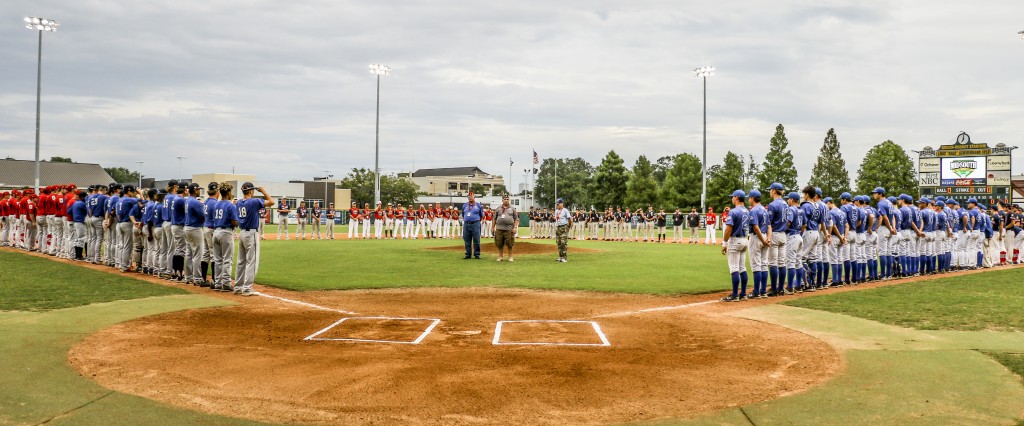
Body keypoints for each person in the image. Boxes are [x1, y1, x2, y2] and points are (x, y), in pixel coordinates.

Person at [235, 182, 274, 296]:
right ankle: (247, 288)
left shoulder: (238, 202)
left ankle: (238, 287)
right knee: (252, 261)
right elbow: (271, 202)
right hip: (251, 233)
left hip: (241, 233)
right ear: (251, 191)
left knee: (241, 262)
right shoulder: (254, 201)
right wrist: (263, 191)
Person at [721, 190, 750, 301]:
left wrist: (724, 243)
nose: (732, 199)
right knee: (742, 268)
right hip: (744, 239)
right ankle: (743, 293)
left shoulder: (733, 212)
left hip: (735, 240)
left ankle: (734, 295)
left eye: (733, 197)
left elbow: (728, 229)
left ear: (737, 198)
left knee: (734, 268)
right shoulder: (747, 211)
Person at [211, 183, 239, 292]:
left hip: (216, 231)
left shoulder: (216, 205)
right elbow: (234, 222)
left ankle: (217, 283)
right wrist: (238, 223)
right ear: (228, 193)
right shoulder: (231, 205)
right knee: (227, 259)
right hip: (226, 232)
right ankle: (226, 283)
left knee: (217, 259)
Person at [766, 183, 788, 295]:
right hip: (783, 234)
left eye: (770, 190)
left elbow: (768, 222)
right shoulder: (786, 204)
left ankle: (774, 289)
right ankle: (781, 288)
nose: (770, 191)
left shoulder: (773, 204)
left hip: (774, 233)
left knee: (773, 263)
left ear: (774, 191)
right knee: (781, 262)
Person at [748, 190, 771, 298]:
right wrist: (768, 239)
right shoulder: (765, 210)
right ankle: (763, 291)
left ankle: (756, 291)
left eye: (749, 197)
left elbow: (755, 227)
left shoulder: (754, 210)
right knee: (764, 264)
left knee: (756, 264)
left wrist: (762, 240)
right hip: (765, 236)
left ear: (752, 198)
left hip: (757, 238)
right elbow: (769, 226)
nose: (749, 199)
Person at [182, 183, 206, 284]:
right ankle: (197, 278)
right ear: (195, 190)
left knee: (189, 253)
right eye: (198, 189)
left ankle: (188, 277)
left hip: (187, 227)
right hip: (194, 228)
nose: (199, 191)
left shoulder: (187, 200)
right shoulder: (195, 202)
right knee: (197, 254)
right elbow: (202, 216)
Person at [493, 194, 518, 262]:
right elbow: (494, 218)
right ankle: (500, 257)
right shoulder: (498, 208)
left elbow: (516, 219)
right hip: (499, 229)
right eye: (505, 199)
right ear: (502, 200)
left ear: (508, 200)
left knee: (510, 243)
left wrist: (515, 227)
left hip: (509, 229)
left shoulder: (512, 208)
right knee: (499, 243)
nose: (506, 200)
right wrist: (493, 227)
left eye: (507, 199)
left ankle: (510, 257)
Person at [462, 191, 484, 259]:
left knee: (476, 239)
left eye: (471, 196)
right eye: (469, 196)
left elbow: (481, 215)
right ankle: (468, 254)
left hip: (475, 224)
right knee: (467, 240)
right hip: (466, 224)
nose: (470, 197)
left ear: (474, 197)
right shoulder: (465, 205)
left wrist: (476, 221)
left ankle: (477, 254)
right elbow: (463, 214)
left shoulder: (478, 205)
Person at [554, 198, 572, 262]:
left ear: (562, 204)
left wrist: (568, 226)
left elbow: (570, 219)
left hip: (564, 227)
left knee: (563, 242)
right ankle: (560, 257)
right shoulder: (556, 211)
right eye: (556, 204)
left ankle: (564, 257)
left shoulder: (565, 210)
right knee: (558, 242)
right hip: (558, 227)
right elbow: (556, 219)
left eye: (558, 204)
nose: (557, 205)